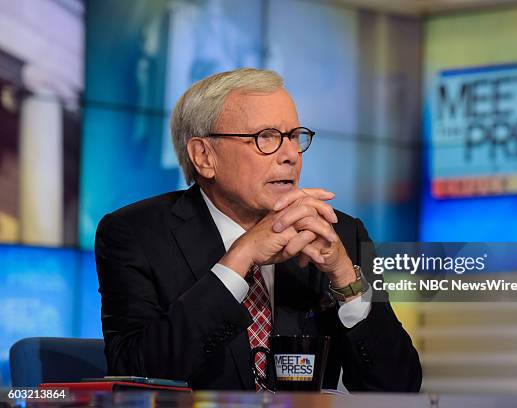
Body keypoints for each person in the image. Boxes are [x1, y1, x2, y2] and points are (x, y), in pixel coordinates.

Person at [95, 68, 421, 391]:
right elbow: (132, 376)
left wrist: (345, 279)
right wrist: (241, 257)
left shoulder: (339, 233)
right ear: (204, 156)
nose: (291, 155)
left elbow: (399, 389)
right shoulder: (136, 233)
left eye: (294, 136)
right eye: (266, 137)